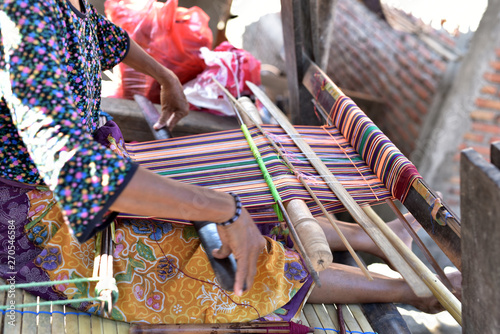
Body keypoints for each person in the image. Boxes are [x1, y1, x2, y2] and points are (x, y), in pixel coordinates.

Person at [0, 0, 459, 324]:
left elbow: (104, 37)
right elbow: (78, 176)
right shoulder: (24, 14)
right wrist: (222, 208)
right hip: (35, 221)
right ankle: (417, 292)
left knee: (229, 206)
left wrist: (164, 75)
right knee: (217, 260)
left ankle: (376, 235)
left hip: (93, 167)